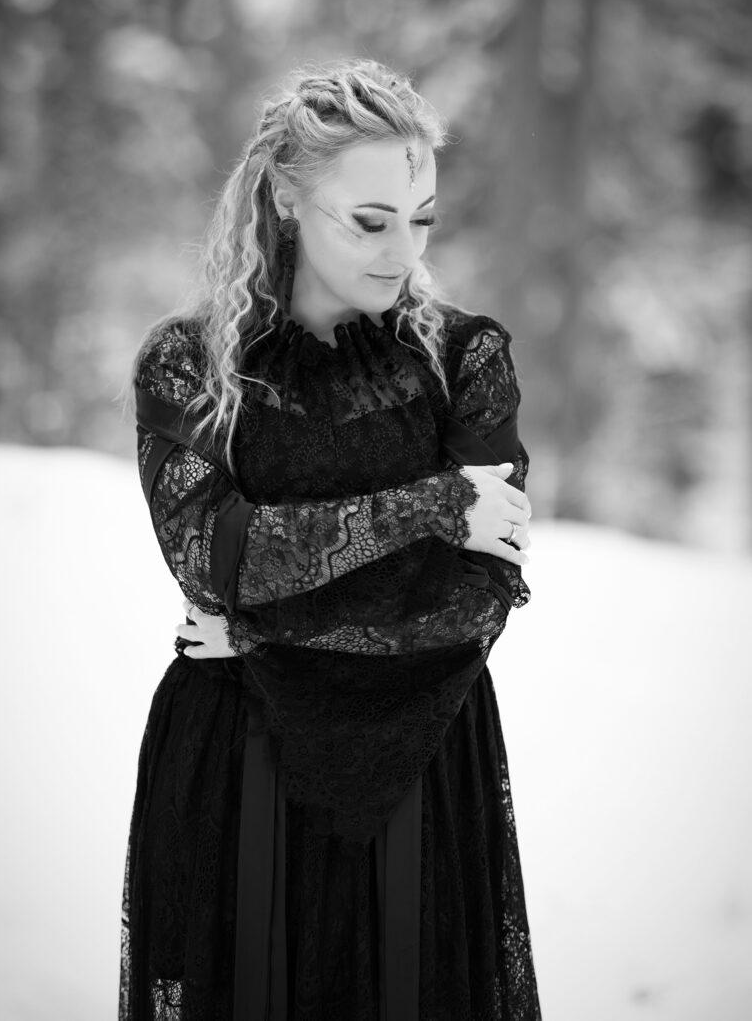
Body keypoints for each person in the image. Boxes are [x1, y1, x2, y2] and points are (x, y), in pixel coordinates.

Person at [118, 57, 541, 1020]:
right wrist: (432, 506)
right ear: (286, 198)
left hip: (423, 751)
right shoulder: (189, 366)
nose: (404, 251)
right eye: (371, 220)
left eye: (422, 219)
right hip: (240, 757)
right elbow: (215, 559)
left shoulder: (466, 359)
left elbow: (475, 600)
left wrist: (258, 629)